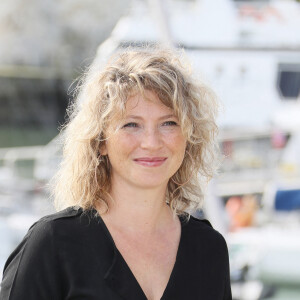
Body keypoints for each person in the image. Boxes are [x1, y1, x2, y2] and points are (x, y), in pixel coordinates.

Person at [0, 48, 232, 300]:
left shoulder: (209, 249)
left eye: (168, 123)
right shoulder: (53, 243)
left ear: (188, 136)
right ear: (101, 141)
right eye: (131, 124)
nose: (152, 142)